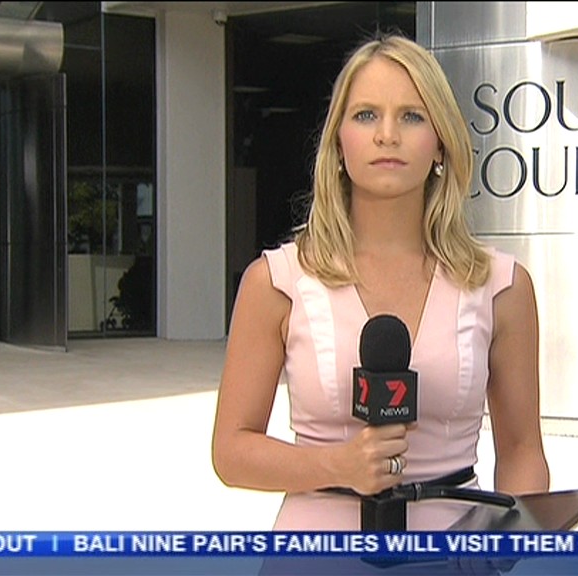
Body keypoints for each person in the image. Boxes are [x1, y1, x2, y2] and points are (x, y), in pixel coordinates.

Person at [211, 33, 549, 531]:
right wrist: (336, 465)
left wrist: (511, 547)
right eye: (366, 115)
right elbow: (231, 451)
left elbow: (522, 450)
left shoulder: (503, 288)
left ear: (441, 143)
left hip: (456, 553)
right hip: (316, 553)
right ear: (338, 143)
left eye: (411, 116)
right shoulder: (276, 283)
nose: (387, 135)